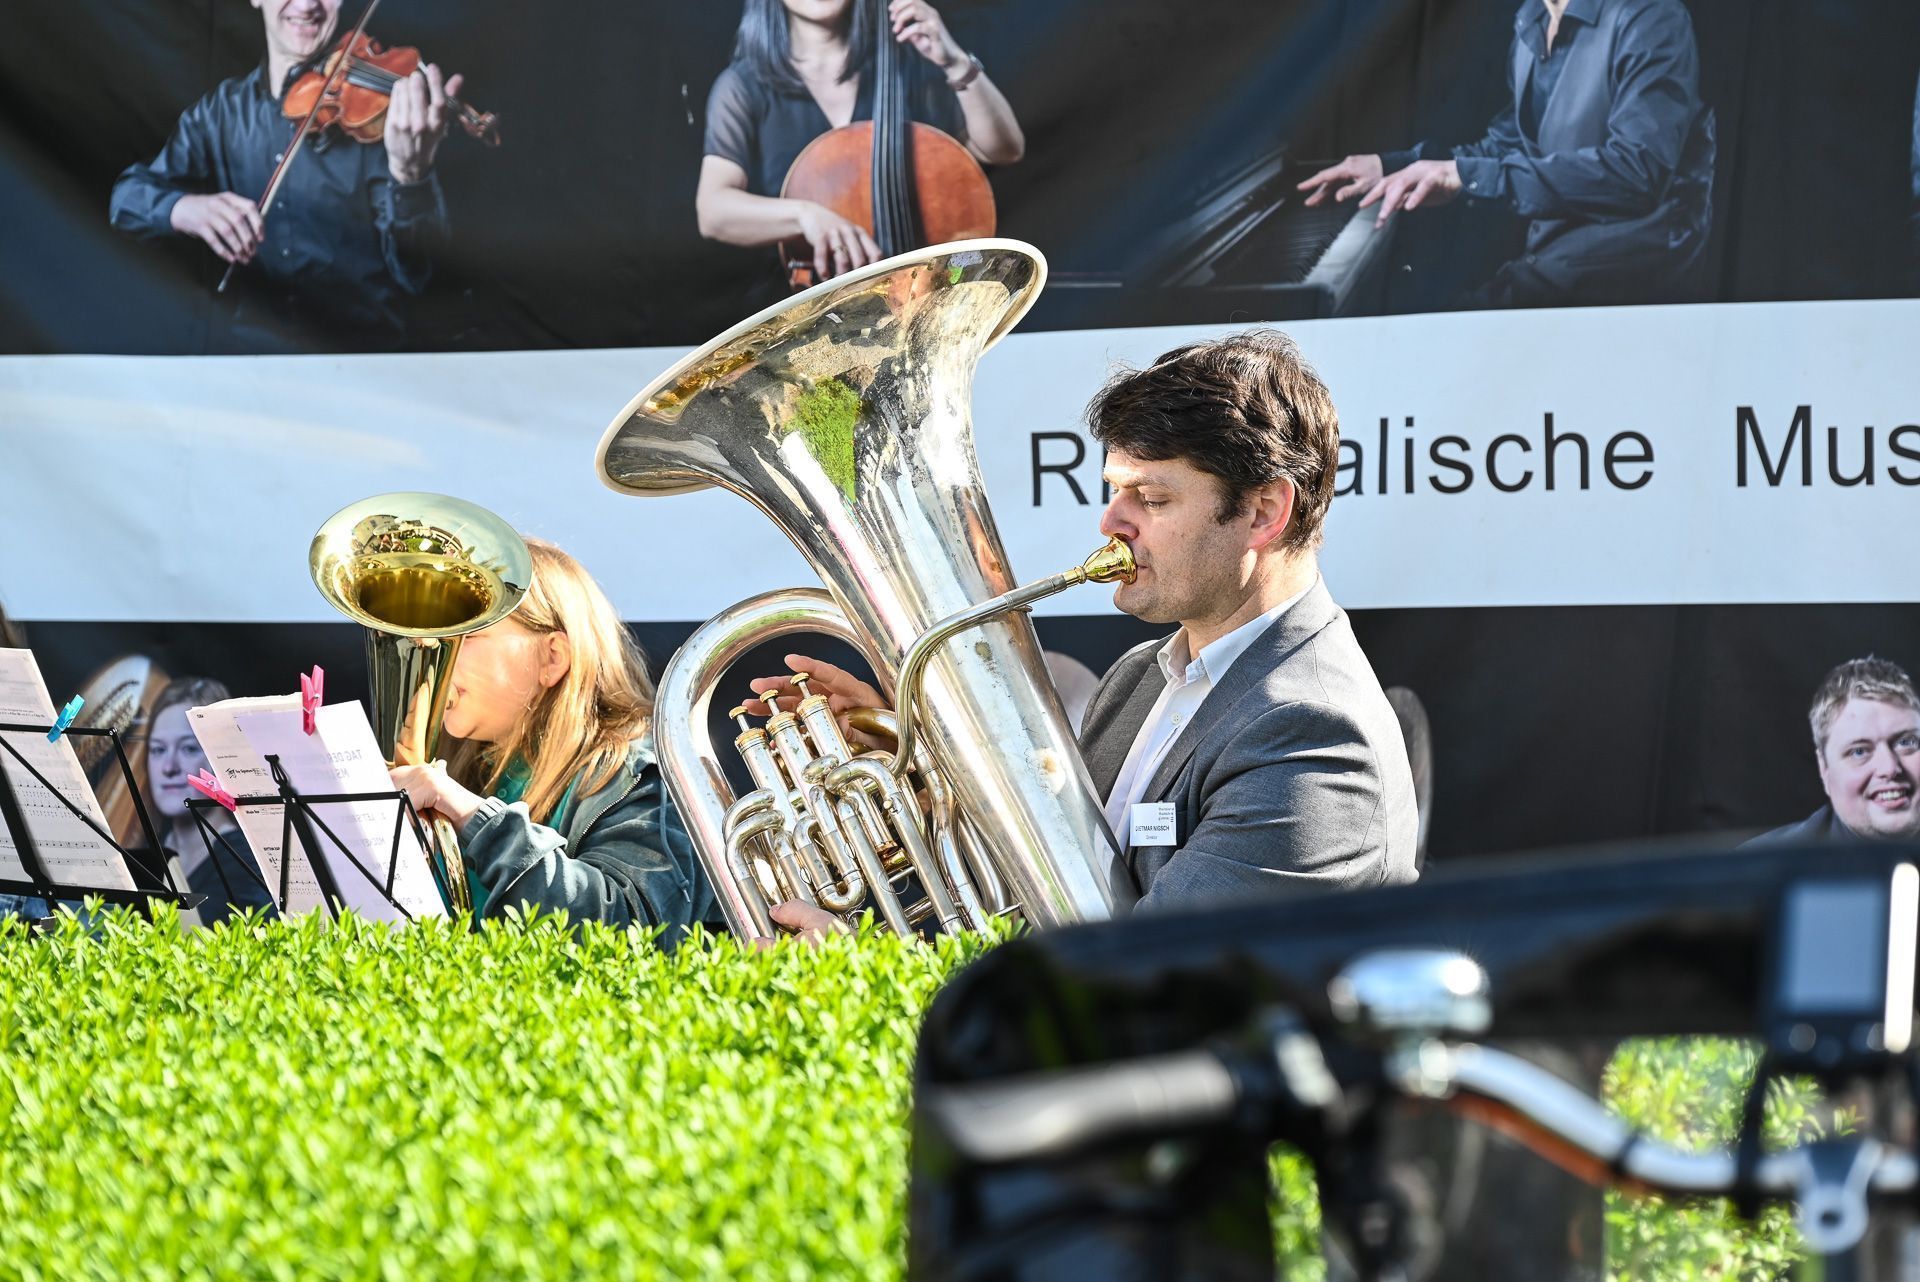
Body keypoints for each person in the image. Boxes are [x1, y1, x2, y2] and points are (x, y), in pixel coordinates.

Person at [752, 329, 1420, 933]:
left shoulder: (1312, 731)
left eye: (1151, 498)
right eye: (1114, 489)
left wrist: (859, 966)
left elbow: (1140, 979)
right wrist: (913, 772)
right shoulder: (1140, 676)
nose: (1111, 522)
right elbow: (1052, 891)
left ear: (1264, 511)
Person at [387, 539, 721, 942]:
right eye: (438, 635)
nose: (436, 654)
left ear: (553, 657)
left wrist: (470, 815)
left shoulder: (641, 774)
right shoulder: (468, 764)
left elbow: (630, 930)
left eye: (468, 634)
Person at [1297, 0, 1715, 309]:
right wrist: (1395, 166)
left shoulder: (1651, 18)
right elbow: (1511, 144)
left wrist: (1470, 176)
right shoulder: (1533, 19)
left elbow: (1637, 172)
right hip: (1553, 260)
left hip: (1626, 270)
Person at [108, 0, 461, 349]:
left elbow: (420, 277)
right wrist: (184, 209)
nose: (306, 6)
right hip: (252, 358)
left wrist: (410, 177)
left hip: (362, 357)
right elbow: (126, 201)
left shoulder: (382, 120)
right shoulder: (221, 113)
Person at [696, 0, 1024, 283]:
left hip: (931, 292)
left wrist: (955, 61)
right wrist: (805, 215)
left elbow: (1003, 149)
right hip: (811, 310)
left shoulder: (911, 66)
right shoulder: (744, 88)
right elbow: (713, 211)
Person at [142, 677, 277, 926]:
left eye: (189, 749)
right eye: (158, 750)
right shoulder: (148, 849)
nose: (169, 767)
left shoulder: (246, 862)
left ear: (222, 756)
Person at [1748, 657, 1920, 847]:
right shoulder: (1760, 863)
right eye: (1859, 751)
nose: (1889, 768)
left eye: (1906, 742)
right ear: (1824, 769)